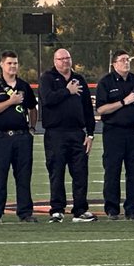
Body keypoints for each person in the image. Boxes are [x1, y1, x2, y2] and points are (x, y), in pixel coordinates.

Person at [39, 48, 96, 223]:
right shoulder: (47, 78)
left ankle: (80, 210)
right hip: (56, 133)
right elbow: (47, 99)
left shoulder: (79, 79)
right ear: (54, 61)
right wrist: (67, 90)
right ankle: (57, 210)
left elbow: (87, 108)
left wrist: (90, 134)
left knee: (80, 172)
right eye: (61, 59)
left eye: (67, 58)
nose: (65, 61)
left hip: (77, 133)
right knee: (56, 172)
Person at [95, 51, 134, 220]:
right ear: (114, 64)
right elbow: (101, 109)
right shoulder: (106, 82)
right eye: (122, 60)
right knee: (112, 171)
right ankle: (112, 209)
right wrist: (123, 102)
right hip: (114, 132)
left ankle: (132, 209)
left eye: (128, 60)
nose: (126, 62)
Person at [0, 51, 39, 223]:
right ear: (2, 64)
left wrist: (32, 128)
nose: (13, 66)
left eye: (15, 63)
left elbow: (32, 108)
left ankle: (25, 212)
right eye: (9, 63)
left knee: (24, 176)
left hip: (22, 137)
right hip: (1, 138)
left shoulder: (24, 86)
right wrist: (10, 101)